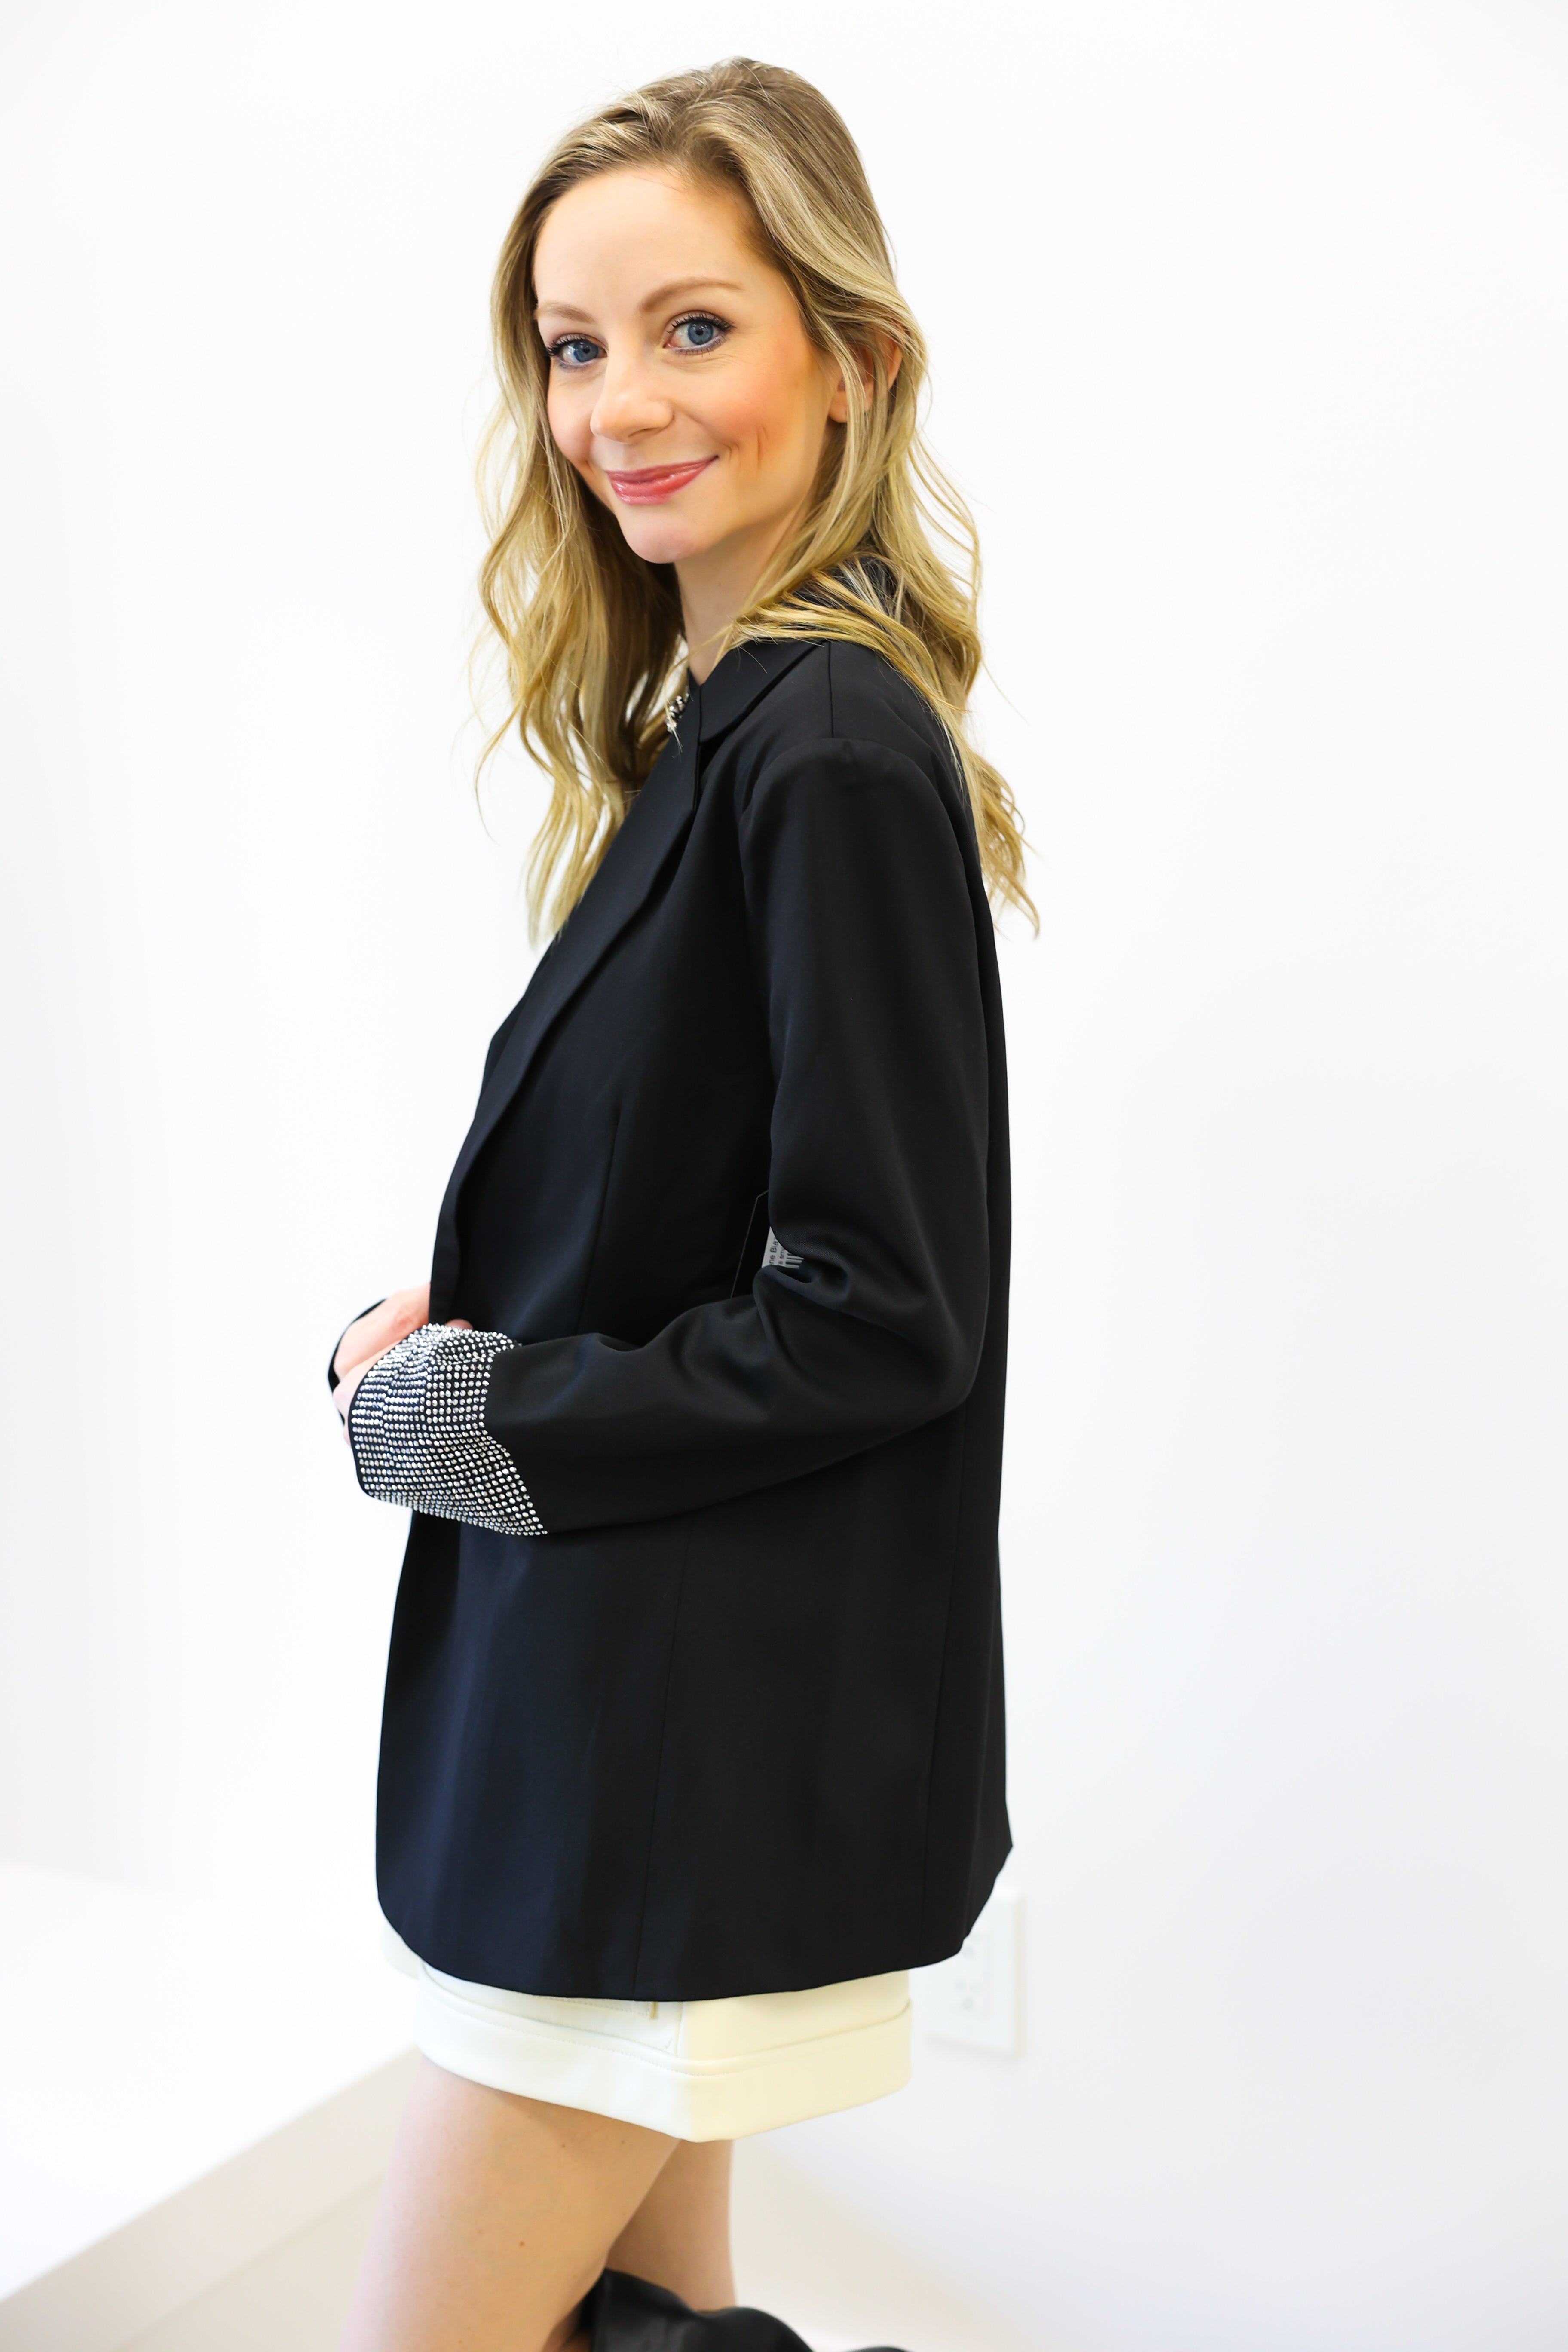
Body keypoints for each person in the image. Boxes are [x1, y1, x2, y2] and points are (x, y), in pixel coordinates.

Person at [328, 56, 1029, 2352]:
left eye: (695, 327)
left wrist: (495, 1411)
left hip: (671, 1769)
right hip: (633, 1753)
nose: (620, 399)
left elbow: (877, 1305)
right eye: (571, 340)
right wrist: (479, 1309)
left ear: (854, 353)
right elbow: (713, 1199)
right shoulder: (723, 726)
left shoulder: (826, 743)